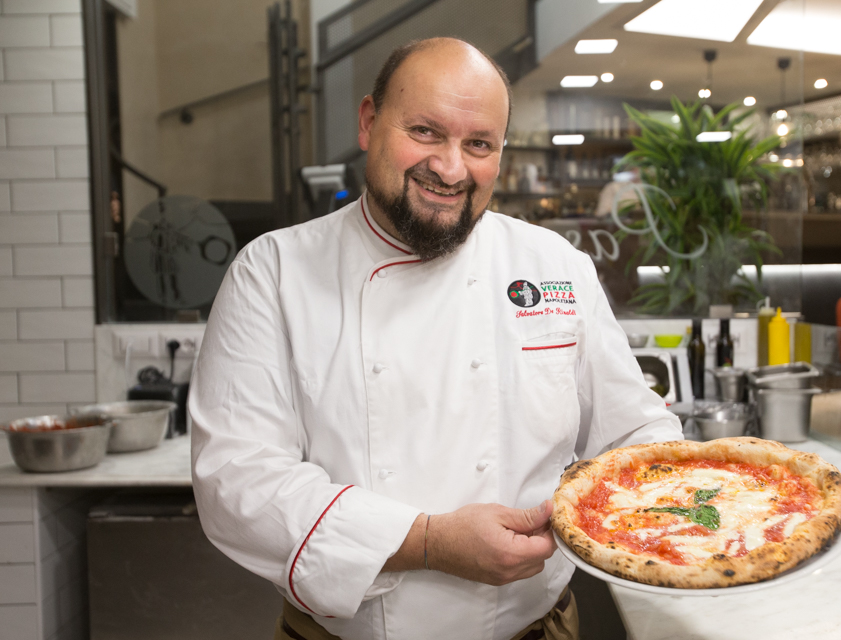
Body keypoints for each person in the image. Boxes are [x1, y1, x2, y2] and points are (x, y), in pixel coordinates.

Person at [190, 37, 682, 640]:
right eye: (425, 132)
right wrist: (427, 542)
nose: (451, 169)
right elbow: (238, 482)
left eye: (479, 144)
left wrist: (701, 509)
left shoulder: (555, 265)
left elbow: (635, 431)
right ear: (369, 122)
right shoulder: (273, 271)